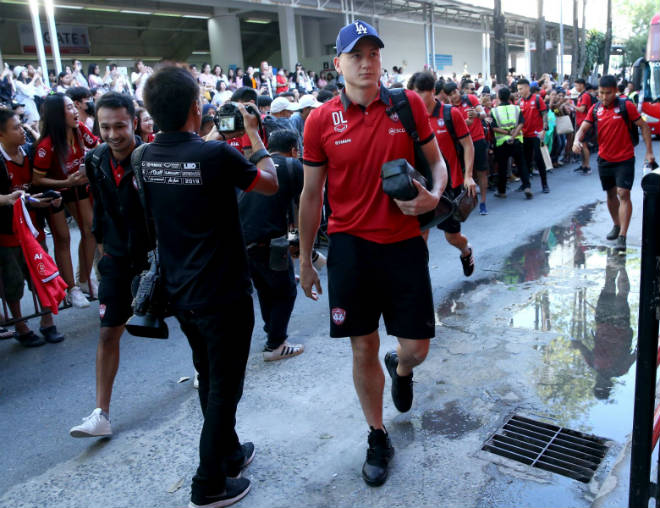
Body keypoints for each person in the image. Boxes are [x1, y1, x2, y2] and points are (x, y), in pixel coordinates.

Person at [299, 20, 447, 487]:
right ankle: (377, 433)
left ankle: (400, 368)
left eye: (374, 54)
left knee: (417, 349)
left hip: (404, 245)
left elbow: (439, 164)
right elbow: (309, 195)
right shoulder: (320, 120)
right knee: (362, 345)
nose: (366, 63)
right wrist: (304, 259)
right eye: (356, 55)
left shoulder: (407, 106)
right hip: (350, 249)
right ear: (338, 64)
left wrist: (433, 198)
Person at [140, 65, 278, 508]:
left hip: (181, 293)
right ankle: (208, 484)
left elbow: (191, 157)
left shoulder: (144, 157)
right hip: (223, 293)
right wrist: (255, 137)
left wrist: (216, 131)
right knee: (225, 390)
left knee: (209, 377)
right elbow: (271, 184)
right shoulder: (215, 157)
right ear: (196, 107)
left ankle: (230, 453)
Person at [68, 92, 150, 438]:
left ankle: (200, 372)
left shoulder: (152, 157)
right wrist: (102, 246)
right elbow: (99, 206)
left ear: (134, 121)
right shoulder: (96, 159)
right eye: (105, 127)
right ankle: (101, 413)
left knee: (190, 321)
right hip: (116, 258)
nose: (113, 134)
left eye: (120, 125)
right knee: (107, 332)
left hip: (156, 256)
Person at [0, 108, 65, 347]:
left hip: (34, 229)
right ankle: (20, 325)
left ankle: (48, 322)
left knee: (42, 273)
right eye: (16, 127)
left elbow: (34, 188)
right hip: (7, 234)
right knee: (13, 281)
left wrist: (50, 198)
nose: (22, 130)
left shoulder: (28, 152)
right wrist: (6, 199)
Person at [239, 129, 305, 361]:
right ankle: (276, 344)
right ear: (294, 150)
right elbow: (303, 205)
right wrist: (301, 243)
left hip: (243, 240)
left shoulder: (256, 165)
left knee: (266, 289)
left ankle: (272, 332)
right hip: (270, 241)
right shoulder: (293, 166)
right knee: (286, 291)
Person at [573, 74, 656, 250]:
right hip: (604, 159)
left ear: (616, 91)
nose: (604, 97)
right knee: (610, 195)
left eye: (608, 93)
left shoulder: (626, 106)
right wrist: (576, 141)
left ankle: (622, 236)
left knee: (623, 193)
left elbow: (644, 126)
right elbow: (583, 127)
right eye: (601, 93)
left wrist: (649, 152)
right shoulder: (595, 109)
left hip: (625, 158)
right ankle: (616, 224)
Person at [32, 94, 99, 307]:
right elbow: (37, 179)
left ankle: (85, 280)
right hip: (55, 195)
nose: (75, 111)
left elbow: (97, 148)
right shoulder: (46, 144)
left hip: (78, 187)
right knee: (63, 239)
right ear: (57, 115)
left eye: (74, 107)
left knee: (90, 230)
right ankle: (72, 289)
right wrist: (64, 182)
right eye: (70, 108)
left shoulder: (80, 130)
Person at [409, 72, 477, 276]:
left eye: (420, 92)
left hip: (450, 185)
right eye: (413, 93)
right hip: (423, 185)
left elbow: (468, 144)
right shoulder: (411, 117)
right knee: (421, 235)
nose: (417, 96)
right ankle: (421, 277)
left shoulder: (450, 114)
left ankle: (466, 251)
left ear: (432, 92)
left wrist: (468, 175)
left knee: (452, 237)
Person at [446, 81, 489, 215]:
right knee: (464, 174)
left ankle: (483, 202)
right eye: (450, 95)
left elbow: (483, 114)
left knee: (481, 171)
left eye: (454, 92)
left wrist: (477, 115)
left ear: (458, 90)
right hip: (461, 145)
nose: (453, 96)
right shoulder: (449, 108)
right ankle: (467, 203)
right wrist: (464, 123)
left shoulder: (470, 98)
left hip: (477, 140)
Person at [490, 87, 533, 199]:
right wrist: (513, 135)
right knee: (521, 164)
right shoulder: (516, 108)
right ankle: (527, 186)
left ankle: (502, 191)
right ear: (509, 97)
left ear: (499, 97)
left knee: (502, 167)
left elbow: (494, 128)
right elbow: (521, 124)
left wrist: (507, 132)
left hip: (501, 143)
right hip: (517, 141)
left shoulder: (494, 111)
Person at [517, 78, 550, 193]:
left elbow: (544, 115)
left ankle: (544, 184)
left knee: (539, 160)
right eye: (518, 89)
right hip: (524, 136)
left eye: (521, 89)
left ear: (527, 88)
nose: (519, 91)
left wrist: (544, 130)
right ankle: (526, 184)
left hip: (536, 135)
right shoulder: (519, 102)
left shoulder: (537, 99)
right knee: (525, 161)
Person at [574, 78, 594, 174]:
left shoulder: (585, 96)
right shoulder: (581, 95)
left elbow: (582, 109)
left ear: (582, 85)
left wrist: (572, 106)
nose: (576, 87)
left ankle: (587, 166)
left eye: (577, 85)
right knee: (582, 144)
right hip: (580, 123)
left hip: (584, 123)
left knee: (584, 145)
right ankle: (583, 165)